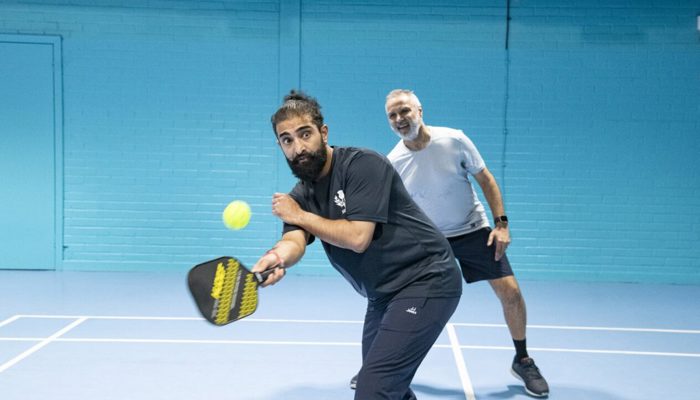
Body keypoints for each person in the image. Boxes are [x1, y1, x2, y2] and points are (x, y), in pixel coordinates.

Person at [251, 90, 463, 400]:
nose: (298, 147)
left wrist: (300, 216)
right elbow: (293, 239)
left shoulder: (362, 165)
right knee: (390, 387)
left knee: (373, 388)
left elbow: (357, 238)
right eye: (287, 140)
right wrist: (275, 257)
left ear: (323, 133)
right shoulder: (301, 196)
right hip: (383, 294)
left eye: (305, 134)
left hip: (427, 279)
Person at [382, 89, 550, 398]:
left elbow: (485, 179)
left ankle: (523, 359)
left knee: (511, 293)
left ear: (420, 110)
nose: (399, 119)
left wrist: (501, 225)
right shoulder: (394, 162)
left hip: (472, 230)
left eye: (404, 111)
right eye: (392, 115)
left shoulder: (454, 140)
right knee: (399, 302)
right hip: (430, 241)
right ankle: (384, 366)